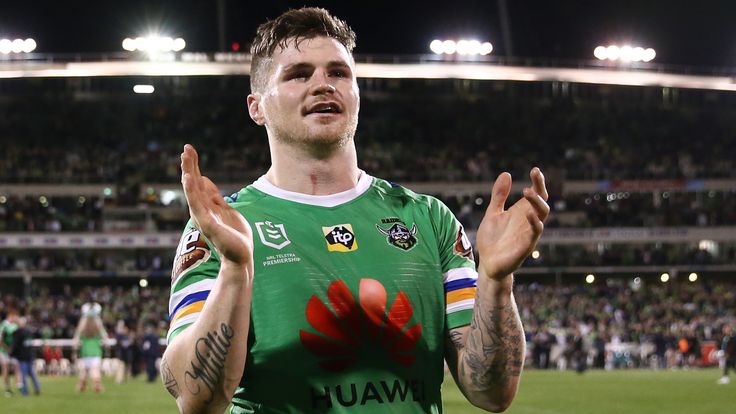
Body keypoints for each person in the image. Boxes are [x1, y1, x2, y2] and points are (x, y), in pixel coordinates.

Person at [161, 7, 549, 414]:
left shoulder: (430, 220)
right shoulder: (222, 227)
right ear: (256, 107)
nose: (323, 85)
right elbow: (195, 400)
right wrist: (236, 270)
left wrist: (496, 281)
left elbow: (491, 392)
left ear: (357, 93)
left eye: (339, 73)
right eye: (298, 74)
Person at [72, 302, 108, 393]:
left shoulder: (84, 332)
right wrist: (96, 316)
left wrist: (85, 316)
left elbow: (78, 331)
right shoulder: (97, 331)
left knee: (84, 370)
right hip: (96, 351)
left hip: (85, 351)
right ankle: (97, 385)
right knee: (95, 370)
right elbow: (103, 332)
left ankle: (82, 386)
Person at [9, 317, 40, 396]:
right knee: (32, 374)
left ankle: (25, 392)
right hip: (30, 356)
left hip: (22, 357)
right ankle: (37, 389)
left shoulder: (18, 333)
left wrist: (11, 354)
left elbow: (15, 345)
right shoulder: (29, 332)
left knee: (23, 375)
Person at [0, 312, 20, 397]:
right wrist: (7, 349)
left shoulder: (15, 326)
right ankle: (7, 389)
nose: (16, 318)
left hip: (13, 351)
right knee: (6, 369)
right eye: (15, 316)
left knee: (16, 368)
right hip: (4, 351)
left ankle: (20, 387)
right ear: (10, 316)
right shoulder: (3, 325)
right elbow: (0, 341)